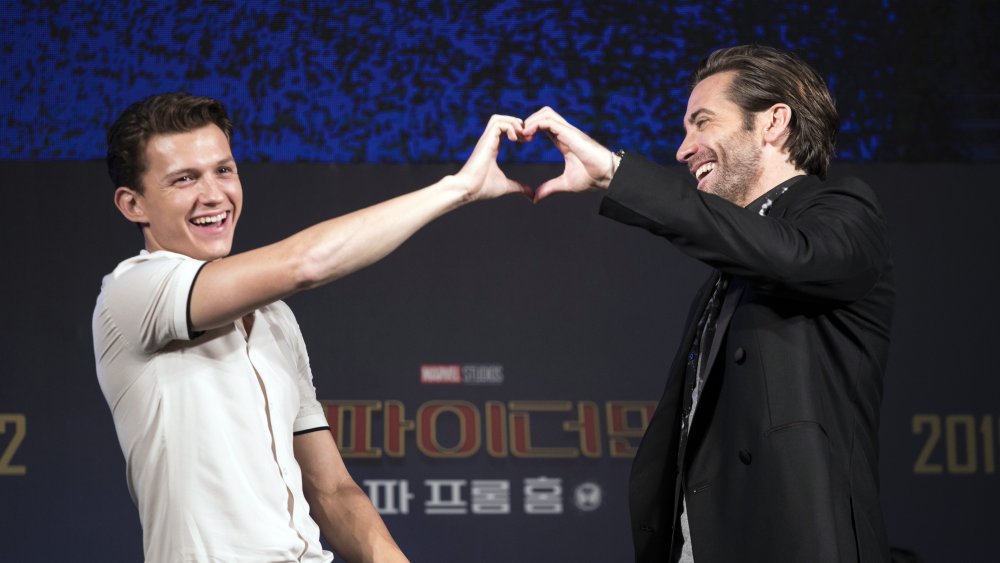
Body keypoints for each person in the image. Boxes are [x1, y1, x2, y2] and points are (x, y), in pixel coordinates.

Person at [92, 92, 530, 562]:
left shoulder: (275, 317)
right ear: (133, 204)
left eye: (224, 170)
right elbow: (306, 263)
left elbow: (333, 491)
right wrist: (458, 188)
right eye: (184, 179)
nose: (214, 194)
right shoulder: (130, 292)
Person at [523, 45, 895, 562]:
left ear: (773, 122)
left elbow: (787, 255)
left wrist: (615, 172)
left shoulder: (843, 212)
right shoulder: (724, 278)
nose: (683, 149)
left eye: (702, 122)